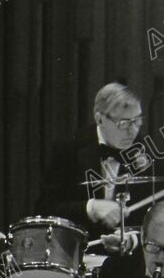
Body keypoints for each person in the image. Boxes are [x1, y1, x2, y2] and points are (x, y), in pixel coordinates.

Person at [36, 83, 151, 254]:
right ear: (100, 119)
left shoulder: (148, 151)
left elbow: (155, 218)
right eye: (124, 123)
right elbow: (45, 209)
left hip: (129, 261)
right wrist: (91, 208)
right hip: (77, 257)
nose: (133, 131)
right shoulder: (69, 149)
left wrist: (131, 240)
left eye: (137, 120)